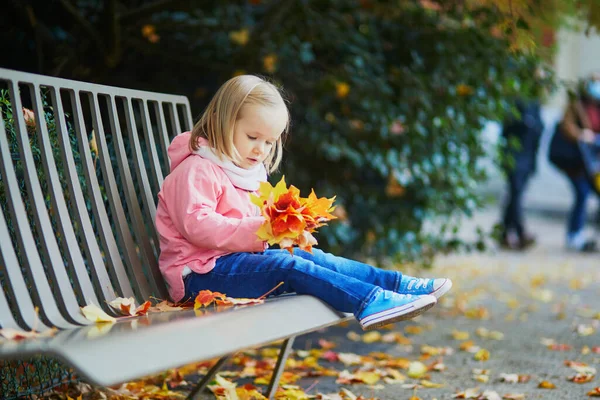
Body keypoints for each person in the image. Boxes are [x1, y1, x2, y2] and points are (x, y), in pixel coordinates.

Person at [155, 75, 452, 331]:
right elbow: (198, 225)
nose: (261, 149)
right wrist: (263, 229)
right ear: (223, 122)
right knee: (288, 265)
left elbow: (260, 222)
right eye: (252, 136)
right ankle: (369, 302)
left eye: (270, 142)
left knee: (312, 257)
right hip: (199, 275)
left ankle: (394, 285)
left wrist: (284, 228)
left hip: (233, 264)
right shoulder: (197, 169)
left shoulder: (244, 169)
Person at [549, 72, 600, 252]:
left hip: (594, 163)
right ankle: (574, 235)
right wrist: (583, 135)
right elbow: (567, 127)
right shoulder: (576, 104)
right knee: (582, 193)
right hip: (577, 161)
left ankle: (584, 235)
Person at [499, 99, 544, 250]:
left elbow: (537, 133)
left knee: (515, 195)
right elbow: (506, 131)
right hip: (513, 155)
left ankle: (504, 233)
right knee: (516, 193)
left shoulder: (535, 105)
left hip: (528, 156)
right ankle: (521, 232)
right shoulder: (515, 103)